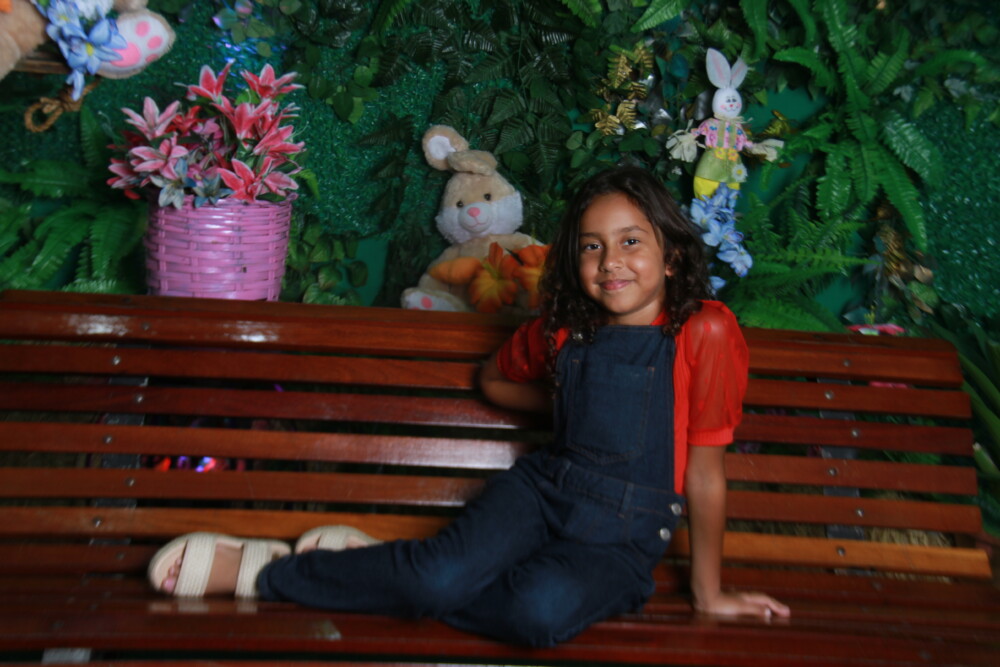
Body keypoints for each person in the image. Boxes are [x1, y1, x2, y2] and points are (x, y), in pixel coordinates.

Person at [147, 166, 790, 647]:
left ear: (671, 256)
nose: (609, 262)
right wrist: (570, 405)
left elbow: (705, 473)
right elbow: (495, 381)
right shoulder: (566, 330)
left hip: (622, 540)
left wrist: (709, 595)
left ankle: (383, 573)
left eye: (631, 242)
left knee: (535, 615)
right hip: (542, 495)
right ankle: (269, 572)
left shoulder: (704, 330)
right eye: (592, 245)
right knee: (437, 579)